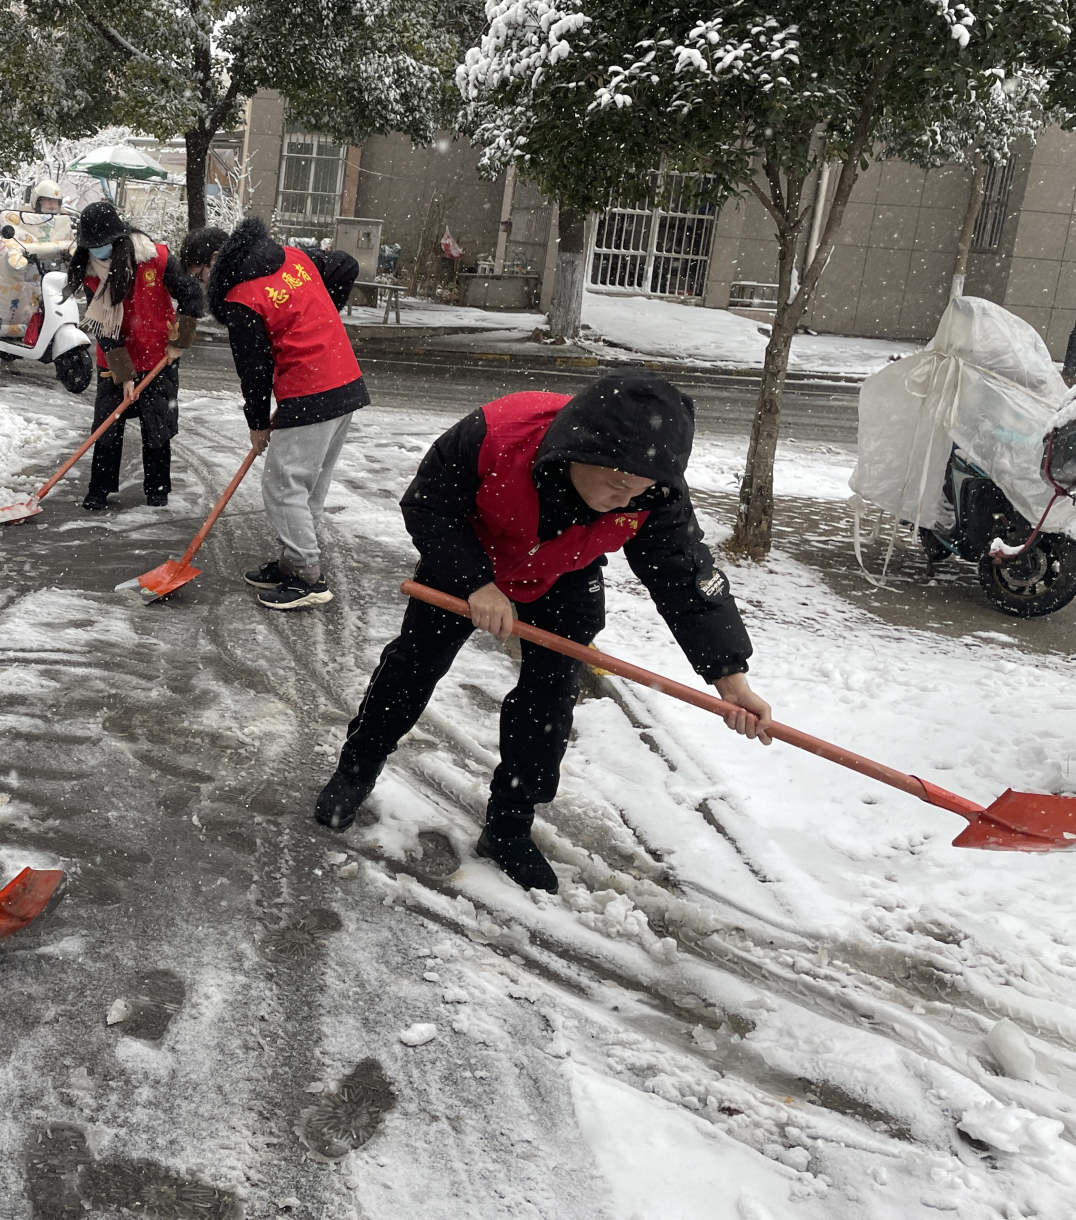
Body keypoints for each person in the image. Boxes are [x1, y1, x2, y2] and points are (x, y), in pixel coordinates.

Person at [314, 370, 773, 895]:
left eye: (640, 491)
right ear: (579, 450)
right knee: (414, 665)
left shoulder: (654, 491)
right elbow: (428, 504)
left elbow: (685, 577)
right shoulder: (499, 434)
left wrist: (730, 677)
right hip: (470, 556)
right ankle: (357, 768)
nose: (626, 500)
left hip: (564, 572)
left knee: (550, 697)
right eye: (617, 484)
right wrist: (477, 583)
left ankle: (510, 823)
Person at [206, 216, 369, 609]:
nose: (202, 281)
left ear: (216, 260)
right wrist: (321, 316)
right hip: (343, 380)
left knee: (283, 485)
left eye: (200, 272)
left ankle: (309, 578)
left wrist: (258, 424)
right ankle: (295, 563)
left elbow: (254, 370)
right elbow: (346, 264)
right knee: (307, 484)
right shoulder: (295, 259)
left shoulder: (242, 296)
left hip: (310, 387)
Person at [67, 200, 205, 509]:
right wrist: (125, 374)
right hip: (114, 359)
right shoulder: (92, 272)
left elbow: (193, 296)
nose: (97, 252)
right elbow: (104, 328)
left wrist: (179, 341)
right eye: (91, 247)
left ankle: (157, 492)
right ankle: (99, 491)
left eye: (102, 245)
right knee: (106, 427)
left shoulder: (155, 258)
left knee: (157, 428)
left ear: (118, 239)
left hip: (159, 357)